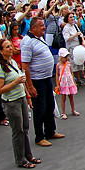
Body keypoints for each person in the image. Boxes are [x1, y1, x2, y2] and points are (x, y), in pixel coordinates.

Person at [0, 39, 40, 169]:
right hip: (11, 102)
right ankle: (20, 159)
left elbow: (22, 80)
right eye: (7, 47)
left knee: (25, 128)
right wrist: (15, 82)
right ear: (1, 51)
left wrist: (28, 96)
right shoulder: (0, 67)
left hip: (21, 98)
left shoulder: (13, 62)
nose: (10, 48)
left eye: (10, 46)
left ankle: (29, 155)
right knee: (17, 131)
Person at [21, 17, 64, 147]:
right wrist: (30, 86)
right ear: (33, 28)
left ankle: (50, 131)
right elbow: (25, 66)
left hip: (46, 78)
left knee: (50, 105)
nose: (44, 27)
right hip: (36, 80)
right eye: (41, 26)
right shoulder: (27, 42)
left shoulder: (39, 38)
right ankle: (39, 136)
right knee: (40, 109)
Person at [55, 48, 79, 120]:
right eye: (65, 57)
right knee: (63, 98)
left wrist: (74, 82)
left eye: (67, 56)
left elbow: (71, 72)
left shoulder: (68, 64)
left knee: (71, 96)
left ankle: (73, 109)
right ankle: (63, 112)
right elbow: (57, 75)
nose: (66, 58)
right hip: (63, 82)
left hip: (69, 81)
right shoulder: (58, 65)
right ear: (61, 57)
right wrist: (58, 84)